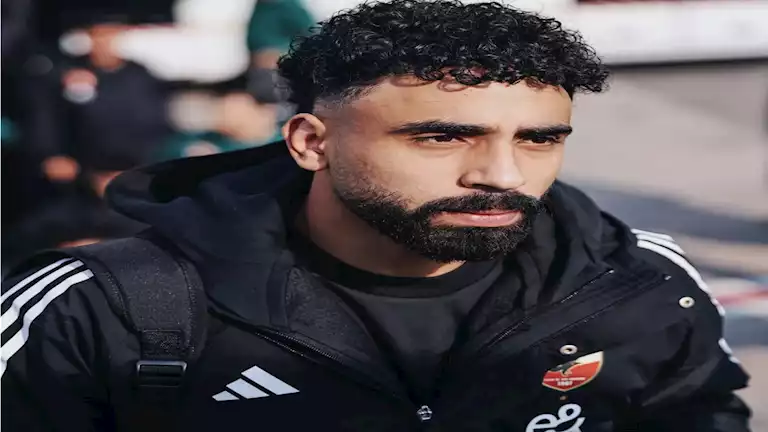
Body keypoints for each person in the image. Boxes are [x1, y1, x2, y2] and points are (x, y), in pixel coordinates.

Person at [1, 1, 751, 430]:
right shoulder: (101, 312)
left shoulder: (637, 281)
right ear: (311, 142)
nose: (501, 175)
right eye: (440, 136)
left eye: (539, 139)